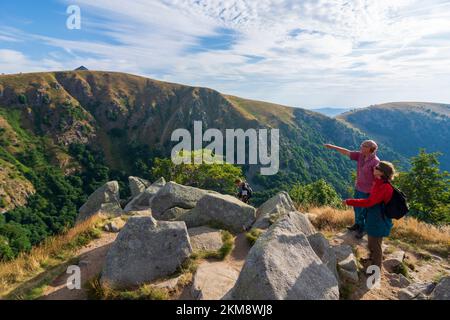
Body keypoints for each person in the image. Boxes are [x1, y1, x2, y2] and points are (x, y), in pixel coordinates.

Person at [343, 161, 395, 271]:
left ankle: (375, 271)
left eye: (376, 167)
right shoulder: (379, 183)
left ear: (381, 172)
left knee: (375, 246)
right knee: (373, 244)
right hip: (374, 218)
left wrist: (350, 201)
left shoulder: (384, 187)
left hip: (378, 220)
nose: (373, 168)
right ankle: (371, 262)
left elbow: (369, 202)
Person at [324, 140, 380, 238]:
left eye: (363, 146)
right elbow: (347, 152)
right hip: (358, 188)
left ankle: (363, 229)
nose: (361, 146)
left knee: (364, 210)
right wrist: (332, 147)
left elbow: (377, 178)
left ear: (370, 149)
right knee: (356, 208)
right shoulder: (360, 155)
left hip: (367, 191)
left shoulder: (375, 162)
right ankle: (357, 224)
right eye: (361, 144)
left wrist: (374, 193)